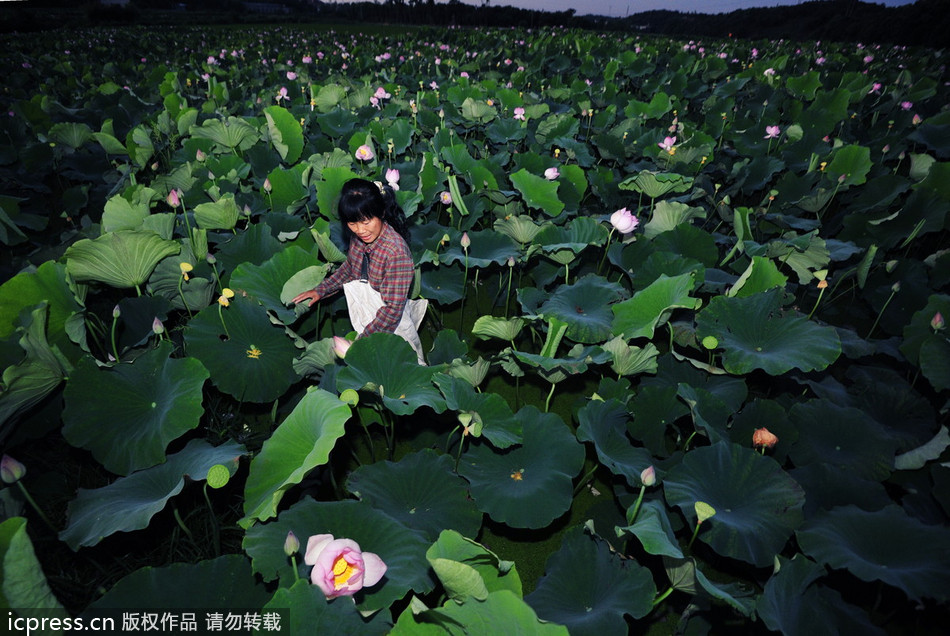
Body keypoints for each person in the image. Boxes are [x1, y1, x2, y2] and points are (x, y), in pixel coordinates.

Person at [292, 178, 426, 361]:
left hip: (391, 326)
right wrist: (320, 290)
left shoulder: (396, 252)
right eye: (352, 223)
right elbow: (350, 269)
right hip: (368, 318)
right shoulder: (360, 238)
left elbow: (392, 310)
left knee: (402, 372)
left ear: (382, 213)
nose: (360, 230)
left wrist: (362, 342)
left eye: (366, 221)